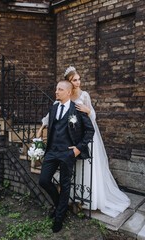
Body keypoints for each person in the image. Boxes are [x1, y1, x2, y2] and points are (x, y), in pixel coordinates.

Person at [38, 66, 131, 218]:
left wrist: (88, 111)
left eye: (79, 79)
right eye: (75, 80)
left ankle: (88, 200)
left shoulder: (84, 95)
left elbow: (91, 116)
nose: (78, 83)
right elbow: (50, 117)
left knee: (83, 170)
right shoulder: (61, 99)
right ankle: (66, 202)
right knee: (57, 178)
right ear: (68, 82)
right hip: (63, 145)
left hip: (79, 140)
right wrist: (42, 128)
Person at [39, 80, 94, 233]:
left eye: (60, 89)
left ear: (68, 92)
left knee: (65, 185)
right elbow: (50, 125)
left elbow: (90, 131)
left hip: (67, 153)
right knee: (43, 180)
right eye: (56, 89)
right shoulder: (54, 107)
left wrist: (78, 149)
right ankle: (59, 206)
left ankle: (59, 217)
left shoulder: (77, 109)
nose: (56, 92)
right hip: (51, 152)